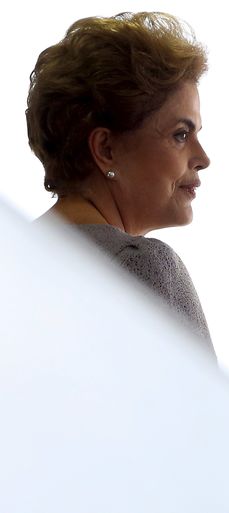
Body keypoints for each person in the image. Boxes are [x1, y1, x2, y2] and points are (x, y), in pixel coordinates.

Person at [27, 12, 216, 359]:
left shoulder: (11, 262)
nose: (202, 157)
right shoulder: (142, 271)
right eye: (180, 135)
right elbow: (199, 415)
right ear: (106, 149)